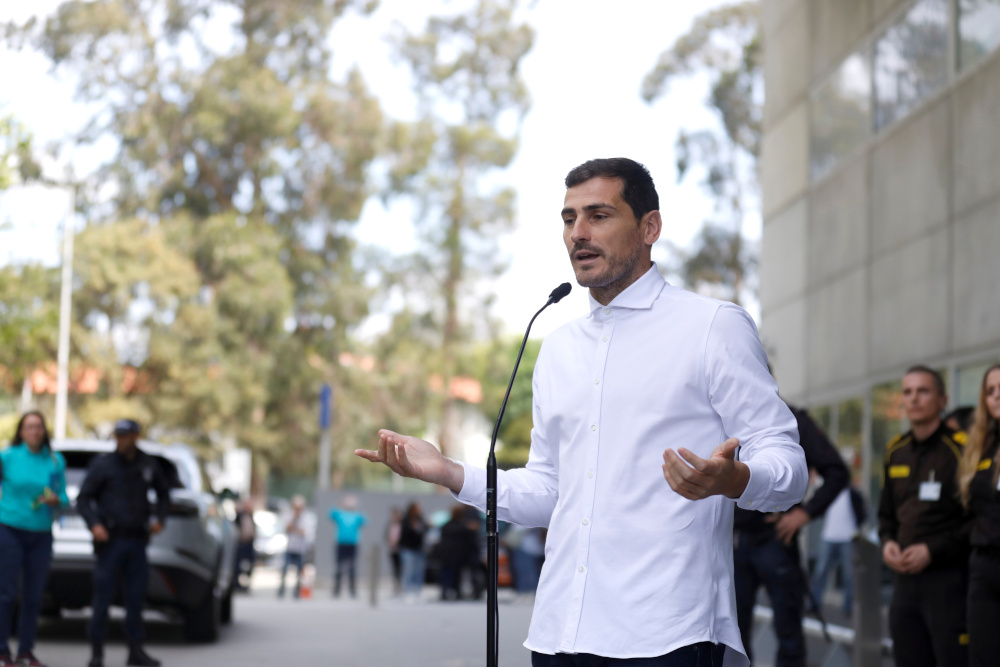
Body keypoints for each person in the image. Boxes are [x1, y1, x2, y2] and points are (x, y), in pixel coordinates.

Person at [357, 158, 807, 666]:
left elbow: (790, 470)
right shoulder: (558, 347)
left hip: (666, 636)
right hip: (558, 635)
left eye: (598, 215)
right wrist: (448, 472)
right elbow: (550, 491)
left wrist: (737, 478)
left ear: (649, 227)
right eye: (569, 219)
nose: (579, 234)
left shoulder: (713, 326)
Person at [733, 404, 848, 667]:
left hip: (776, 539)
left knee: (789, 635)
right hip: (734, 542)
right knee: (733, 637)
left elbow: (836, 471)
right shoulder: (725, 415)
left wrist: (804, 513)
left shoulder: (790, 419)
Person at [878, 366, 971, 667]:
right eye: (907, 392)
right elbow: (886, 514)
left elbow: (976, 520)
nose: (914, 399)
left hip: (948, 581)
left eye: (923, 391)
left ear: (943, 400)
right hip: (904, 582)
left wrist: (933, 550)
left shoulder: (963, 449)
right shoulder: (896, 451)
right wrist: (888, 542)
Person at [77, 419, 170, 667]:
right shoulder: (103, 465)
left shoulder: (148, 464)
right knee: (102, 599)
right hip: (110, 542)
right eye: (118, 436)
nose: (122, 440)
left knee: (136, 599)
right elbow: (83, 499)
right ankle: (97, 653)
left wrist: (160, 519)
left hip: (138, 541)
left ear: (136, 436)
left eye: (126, 436)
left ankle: (135, 651)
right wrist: (94, 524)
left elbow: (164, 494)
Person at [0, 412, 69, 667]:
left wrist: (57, 500)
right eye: (29, 426)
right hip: (10, 529)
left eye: (38, 426)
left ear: (44, 430)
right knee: (6, 593)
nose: (34, 431)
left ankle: (25, 651)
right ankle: (2, 649)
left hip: (41, 533)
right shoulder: (7, 457)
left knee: (33, 595)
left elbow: (64, 498)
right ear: (21, 431)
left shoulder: (54, 459)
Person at [957, 363, 1000, 667]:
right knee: (982, 657)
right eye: (990, 391)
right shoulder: (981, 445)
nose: (996, 396)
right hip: (984, 566)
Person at [810, 483, 866, 617]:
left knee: (849, 575)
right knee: (820, 572)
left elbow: (862, 514)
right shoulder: (828, 493)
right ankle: (814, 603)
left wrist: (856, 530)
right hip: (829, 537)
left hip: (848, 538)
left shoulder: (853, 494)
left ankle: (847, 607)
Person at [328, 495, 366, 598]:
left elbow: (365, 521)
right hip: (341, 543)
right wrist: (340, 503)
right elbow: (331, 514)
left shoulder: (357, 515)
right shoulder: (340, 513)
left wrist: (358, 507)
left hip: (353, 544)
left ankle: (352, 590)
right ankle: (336, 590)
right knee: (338, 567)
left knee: (352, 568)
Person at [277, 495, 310, 599]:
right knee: (284, 570)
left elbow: (305, 532)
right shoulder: (289, 515)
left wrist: (297, 528)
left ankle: (297, 592)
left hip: (300, 548)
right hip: (290, 547)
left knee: (299, 572)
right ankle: (281, 590)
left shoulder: (306, 517)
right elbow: (287, 529)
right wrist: (294, 519)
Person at [399, 502, 428, 601]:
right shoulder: (406, 520)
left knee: (418, 571)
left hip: (418, 548)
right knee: (408, 570)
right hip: (408, 548)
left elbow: (424, 530)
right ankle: (407, 591)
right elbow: (405, 533)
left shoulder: (420, 519)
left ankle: (417, 591)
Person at [232, 498, 256, 591]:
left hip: (249, 543)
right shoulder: (239, 516)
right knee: (238, 565)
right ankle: (237, 584)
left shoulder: (251, 515)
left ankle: (246, 584)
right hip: (241, 543)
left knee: (250, 564)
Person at [386, 507, 403, 596]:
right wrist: (390, 541)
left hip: (401, 550)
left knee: (401, 569)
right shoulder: (390, 524)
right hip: (392, 550)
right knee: (395, 570)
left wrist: (398, 542)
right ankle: (395, 587)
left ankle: (401, 587)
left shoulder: (402, 525)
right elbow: (386, 535)